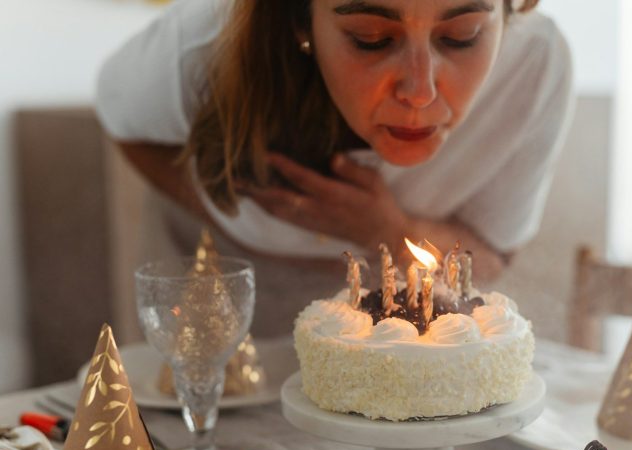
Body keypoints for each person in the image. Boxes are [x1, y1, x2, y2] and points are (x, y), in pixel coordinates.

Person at [96, 0, 573, 336]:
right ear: (301, 20)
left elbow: (491, 255)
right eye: (371, 38)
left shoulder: (535, 64)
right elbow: (121, 118)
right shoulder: (201, 48)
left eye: (460, 36)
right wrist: (231, 210)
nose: (419, 91)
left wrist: (388, 229)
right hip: (218, 309)